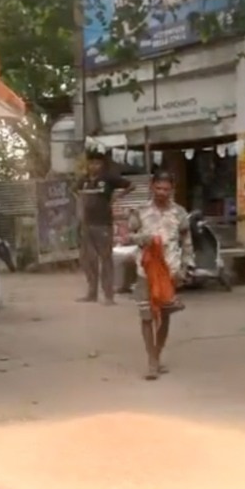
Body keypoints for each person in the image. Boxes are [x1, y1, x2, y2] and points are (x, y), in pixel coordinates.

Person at [126, 169, 193, 380]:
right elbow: (127, 235)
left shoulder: (180, 213)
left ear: (172, 189)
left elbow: (187, 243)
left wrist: (185, 268)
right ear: (151, 187)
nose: (162, 192)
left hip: (169, 272)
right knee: (146, 316)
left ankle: (157, 353)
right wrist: (142, 239)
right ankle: (152, 360)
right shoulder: (140, 211)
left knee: (164, 316)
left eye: (166, 189)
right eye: (158, 188)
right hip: (145, 272)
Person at [76, 150, 134, 304]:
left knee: (106, 259)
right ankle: (91, 293)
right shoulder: (83, 180)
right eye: (91, 163)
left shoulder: (108, 178)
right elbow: (77, 194)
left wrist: (116, 197)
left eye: (97, 163)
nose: (94, 166)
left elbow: (131, 185)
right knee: (89, 260)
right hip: (87, 224)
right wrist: (80, 215)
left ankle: (108, 295)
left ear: (102, 164)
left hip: (103, 224)